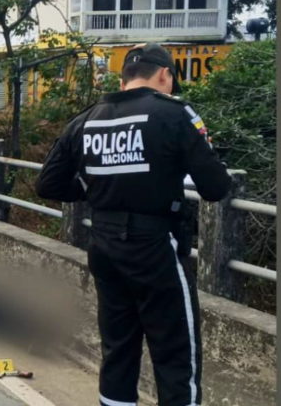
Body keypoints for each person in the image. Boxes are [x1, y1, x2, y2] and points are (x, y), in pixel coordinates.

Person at [34, 43, 232, 406]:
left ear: (124, 79)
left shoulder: (87, 118)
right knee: (176, 355)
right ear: (164, 75)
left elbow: (47, 184)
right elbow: (216, 187)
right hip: (156, 247)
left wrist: (96, 186)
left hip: (105, 247)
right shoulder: (174, 114)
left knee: (119, 350)